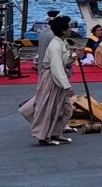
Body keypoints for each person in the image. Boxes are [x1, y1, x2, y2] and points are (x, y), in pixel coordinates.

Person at [30, 16, 74, 146]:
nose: (70, 30)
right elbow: (56, 67)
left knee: (61, 107)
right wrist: (66, 86)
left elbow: (62, 62)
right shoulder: (55, 45)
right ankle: (43, 136)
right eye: (68, 28)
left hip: (56, 77)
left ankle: (56, 132)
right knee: (48, 107)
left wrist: (71, 58)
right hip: (51, 78)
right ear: (63, 31)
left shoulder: (61, 43)